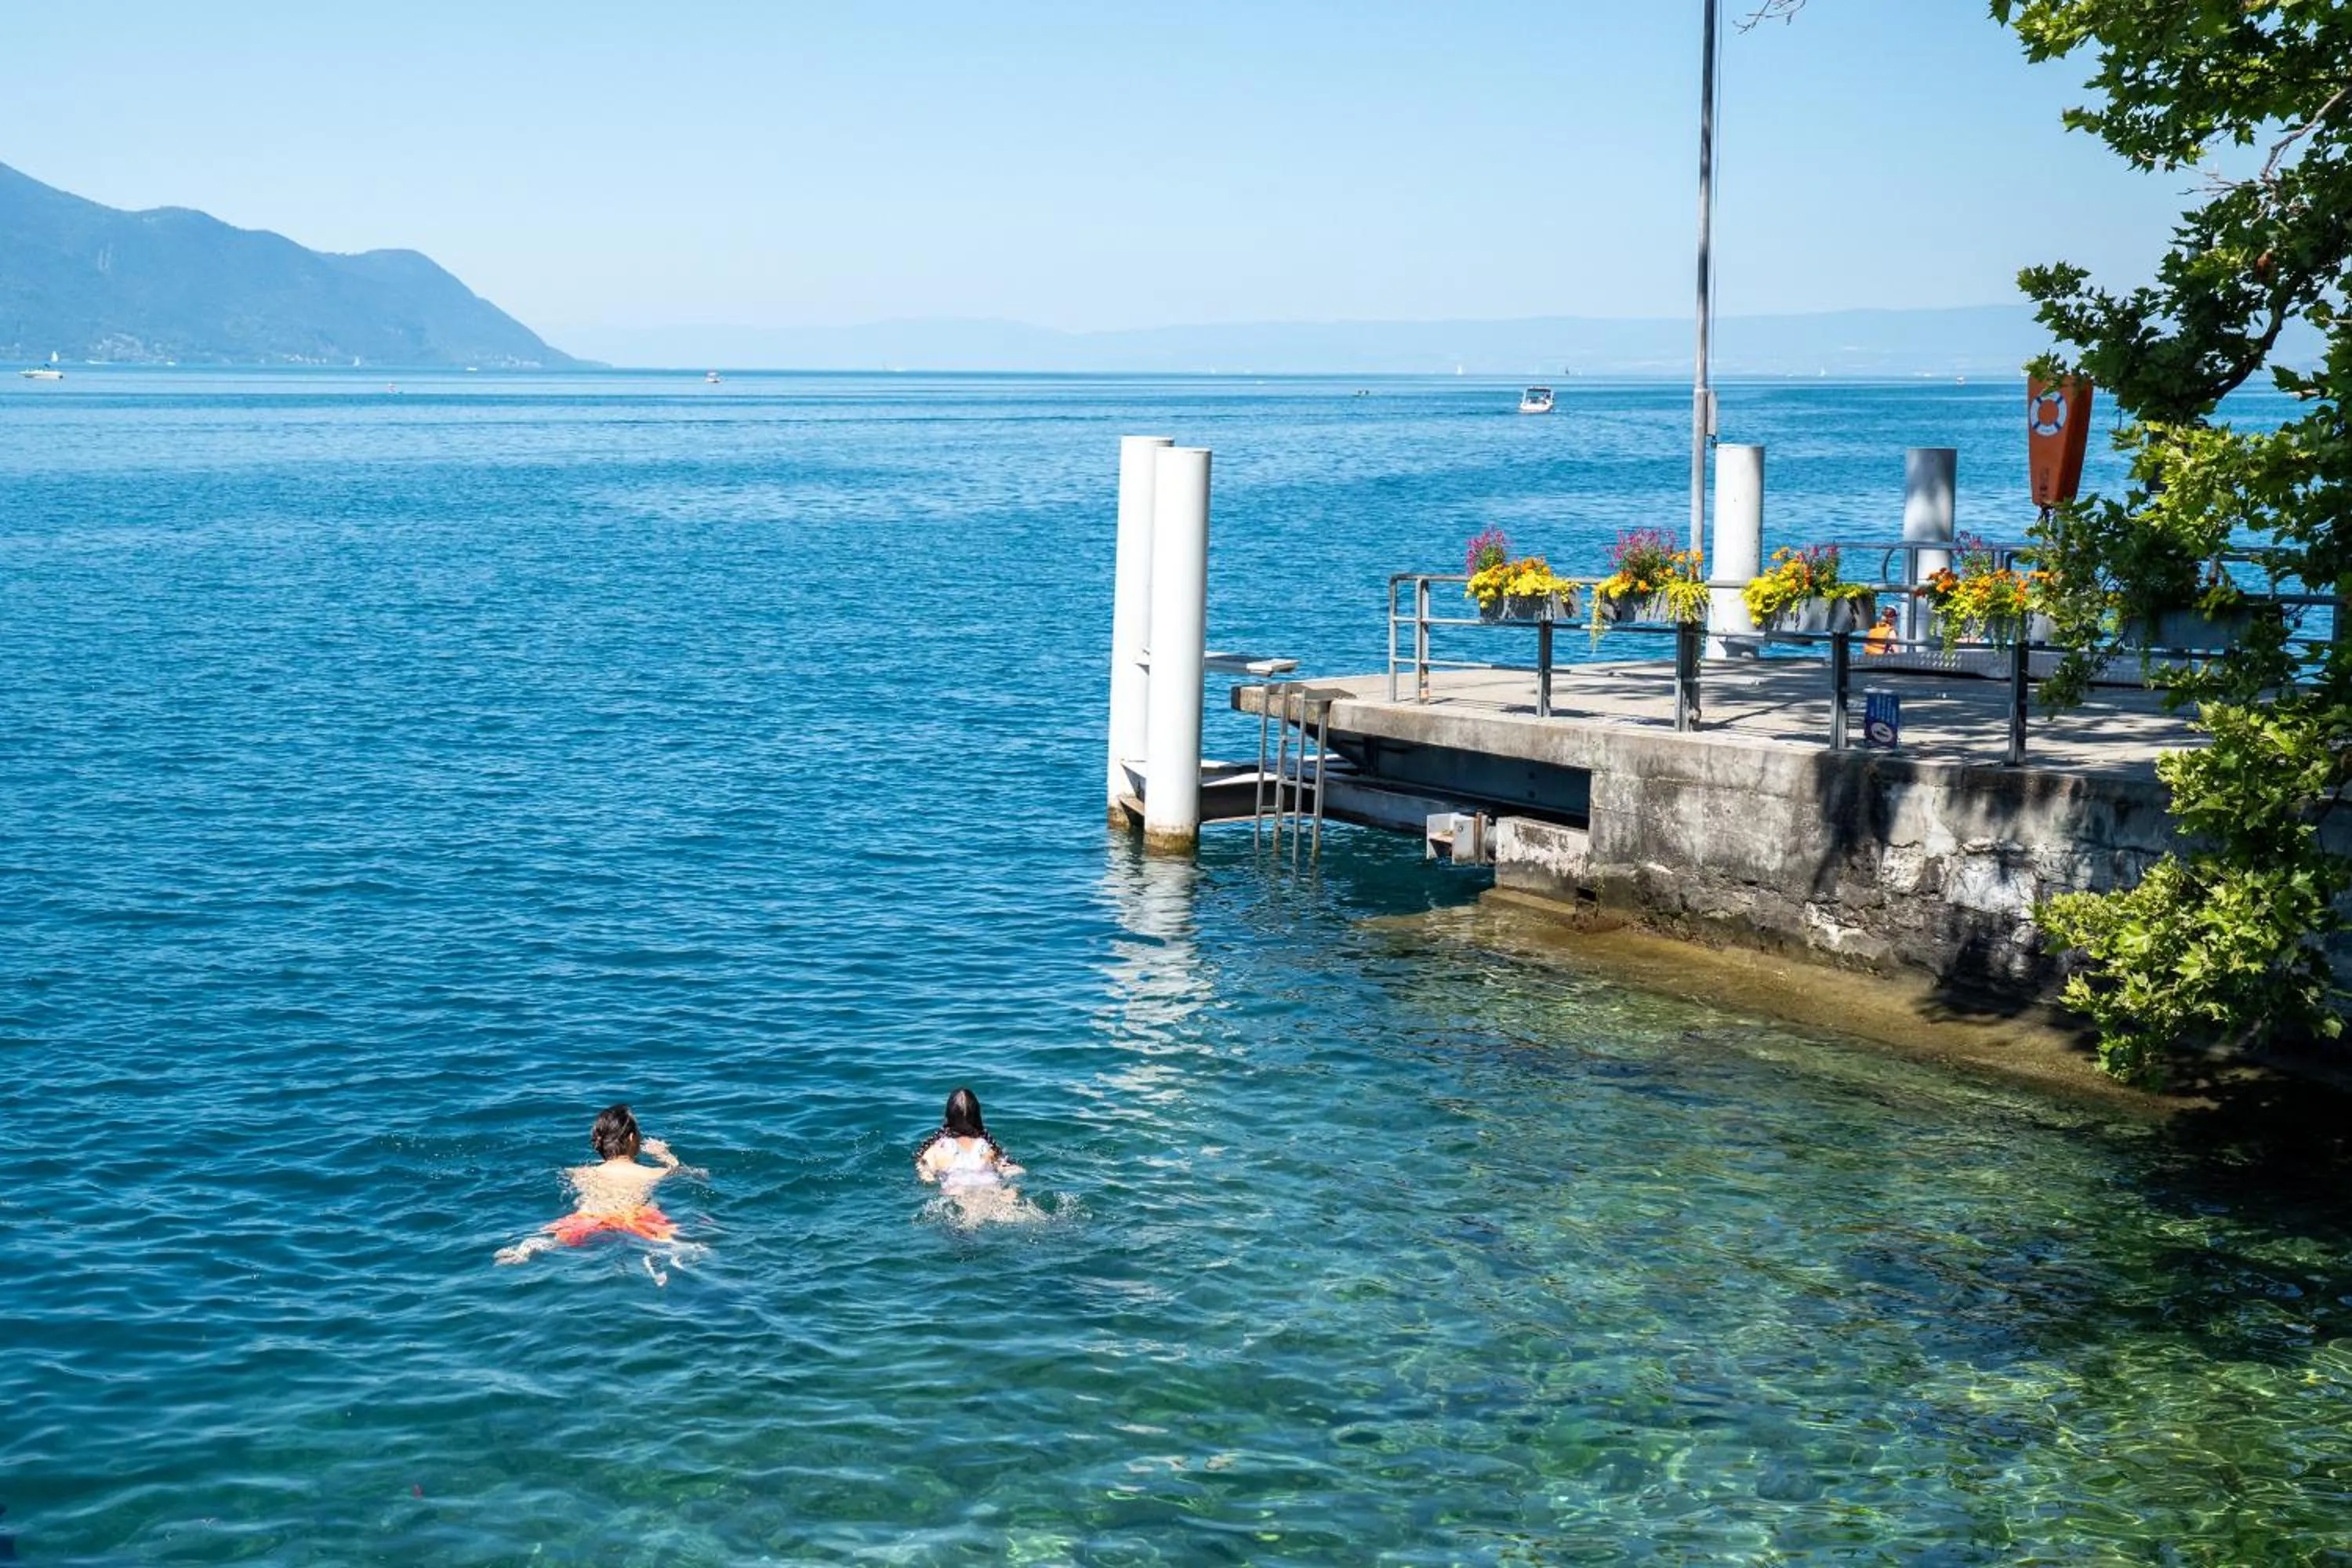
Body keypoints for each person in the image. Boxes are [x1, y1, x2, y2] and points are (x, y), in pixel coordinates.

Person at [495, 1103, 685, 1265]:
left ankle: (525, 1249)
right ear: (631, 1138)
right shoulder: (653, 1173)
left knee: (555, 1238)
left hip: (591, 1216)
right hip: (635, 1217)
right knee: (677, 1244)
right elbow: (687, 1173)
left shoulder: (578, 1173)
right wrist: (666, 1156)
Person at [914, 1087, 1024, 1192]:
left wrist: (926, 1172)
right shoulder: (987, 1148)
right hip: (991, 1187)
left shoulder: (937, 1150)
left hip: (957, 1190)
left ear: (948, 1116)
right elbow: (1016, 1171)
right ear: (978, 1117)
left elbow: (927, 1178)